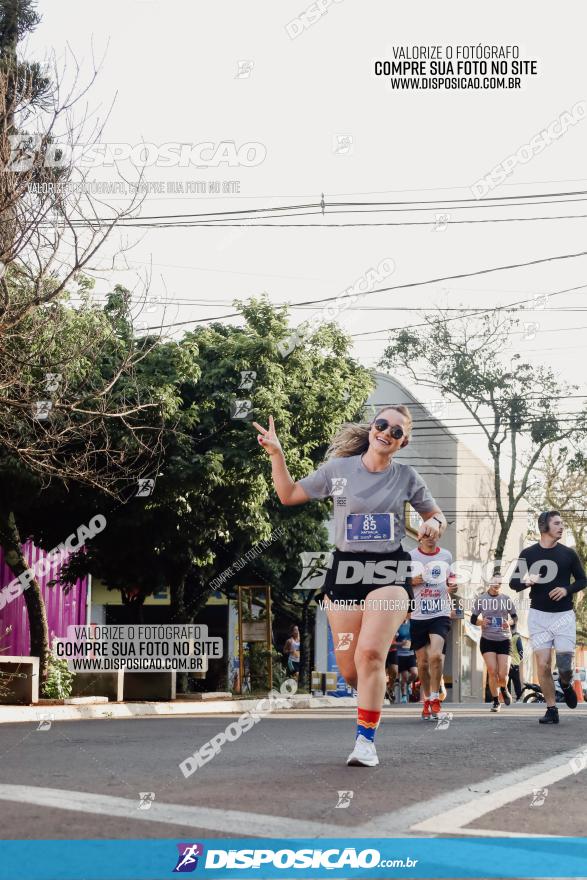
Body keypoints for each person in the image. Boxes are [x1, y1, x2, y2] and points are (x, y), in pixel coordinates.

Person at [253, 407, 446, 767]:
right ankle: (373, 686)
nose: (387, 432)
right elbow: (289, 494)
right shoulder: (339, 471)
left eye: (397, 431)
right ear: (373, 428)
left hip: (388, 568)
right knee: (352, 669)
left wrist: (434, 525)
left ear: (404, 441)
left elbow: (436, 515)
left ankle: (365, 741)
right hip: (345, 571)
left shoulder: (406, 476)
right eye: (382, 424)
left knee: (370, 653)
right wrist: (277, 455)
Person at [509, 511, 587, 724]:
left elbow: (582, 580)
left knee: (564, 667)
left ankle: (566, 683)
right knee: (542, 664)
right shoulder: (528, 553)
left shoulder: (568, 554)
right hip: (539, 617)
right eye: (557, 523)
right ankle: (551, 709)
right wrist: (527, 582)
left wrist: (566, 589)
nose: (562, 527)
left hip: (563, 616)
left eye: (562, 523)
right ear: (544, 527)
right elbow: (513, 583)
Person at [409, 535, 455, 720]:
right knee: (423, 663)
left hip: (440, 613)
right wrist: (414, 580)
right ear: (420, 538)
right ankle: (427, 698)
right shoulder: (410, 556)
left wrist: (453, 587)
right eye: (427, 535)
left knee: (436, 656)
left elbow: (451, 580)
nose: (431, 539)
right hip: (418, 614)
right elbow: (399, 581)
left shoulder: (446, 556)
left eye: (434, 535)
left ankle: (436, 698)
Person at [471, 576, 517, 712]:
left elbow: (515, 618)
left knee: (503, 674)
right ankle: (496, 701)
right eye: (494, 582)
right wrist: (481, 622)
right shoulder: (481, 599)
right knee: (492, 671)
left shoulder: (506, 599)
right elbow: (473, 618)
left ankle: (504, 687)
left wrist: (508, 623)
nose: (496, 585)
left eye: (499, 583)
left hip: (504, 639)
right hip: (487, 640)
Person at [395, 619, 418, 703]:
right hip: (400, 654)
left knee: (415, 673)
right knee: (404, 677)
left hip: (411, 653)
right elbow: (392, 641)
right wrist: (400, 644)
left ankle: (409, 683)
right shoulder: (397, 624)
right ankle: (404, 695)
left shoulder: (411, 623)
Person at [508, 623, 524, 701]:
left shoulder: (507, 637)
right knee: (516, 681)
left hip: (506, 663)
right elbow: (521, 650)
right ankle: (519, 698)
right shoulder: (517, 638)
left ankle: (507, 697)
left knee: (507, 681)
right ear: (515, 628)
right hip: (515, 664)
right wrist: (520, 659)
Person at [385, 634, 399, 702]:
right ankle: (384, 692)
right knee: (382, 672)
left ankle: (390, 688)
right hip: (381, 649)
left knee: (394, 671)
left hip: (392, 650)